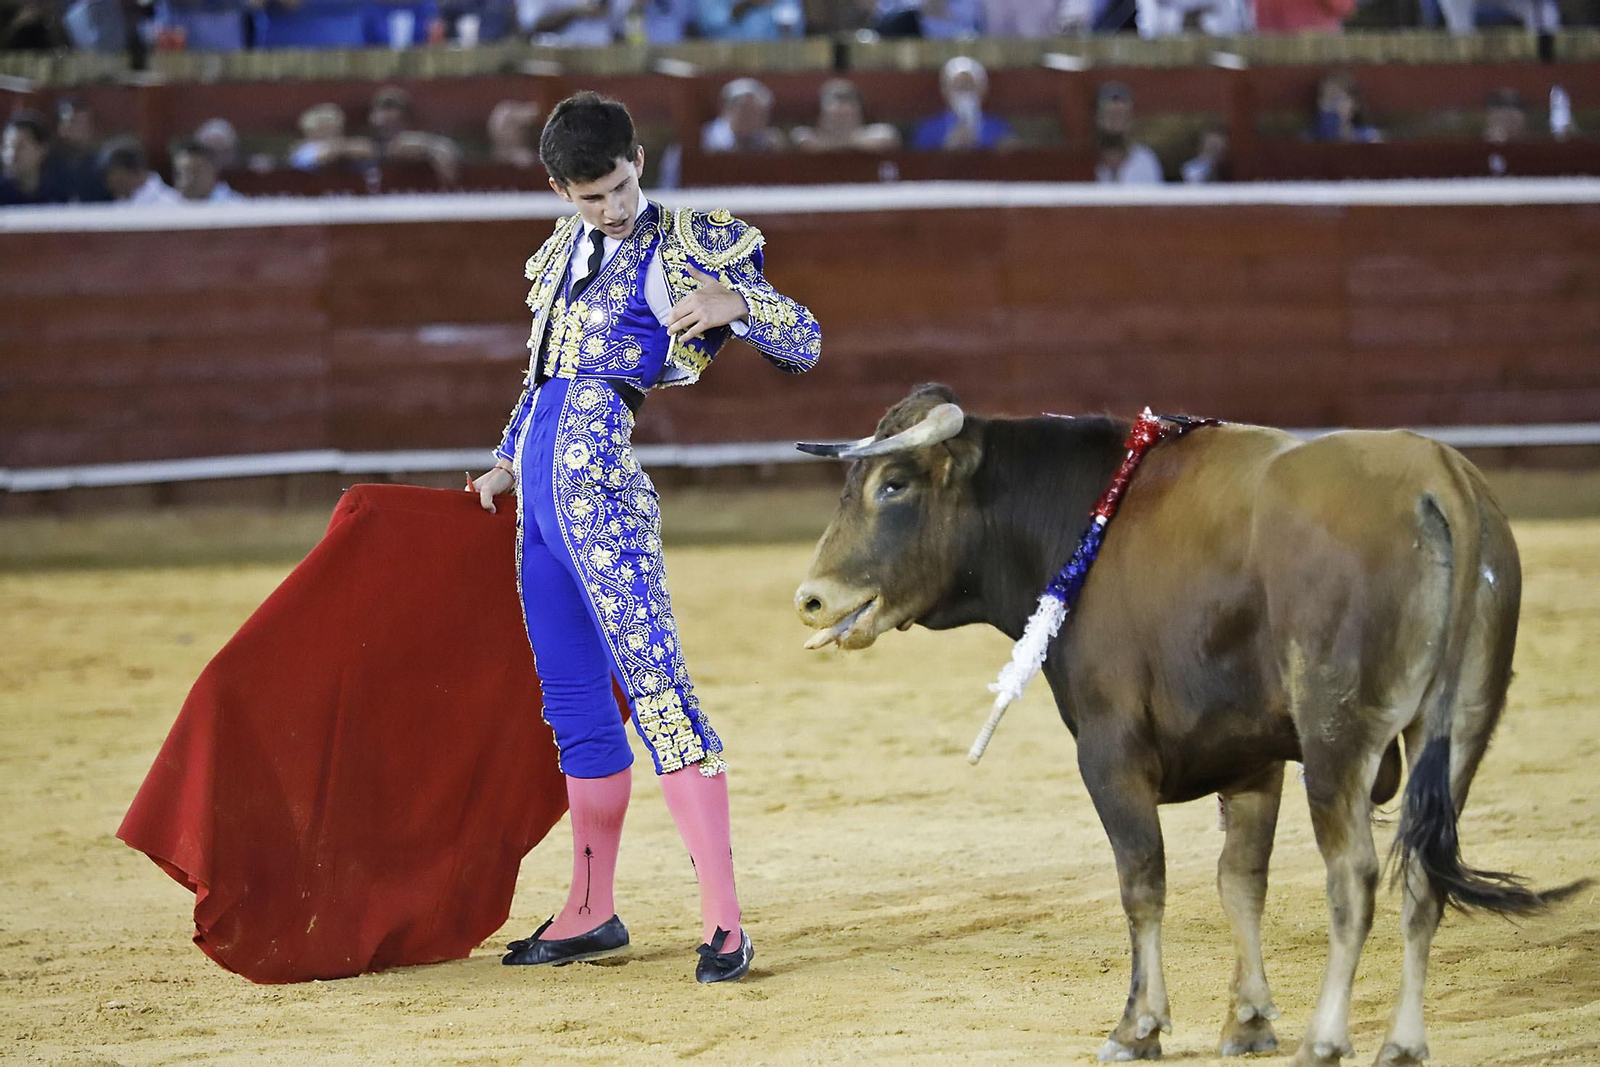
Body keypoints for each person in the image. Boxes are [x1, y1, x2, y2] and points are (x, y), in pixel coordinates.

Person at [472, 91, 820, 983]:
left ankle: (726, 924)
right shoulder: (556, 258)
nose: (613, 208)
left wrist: (735, 302)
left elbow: (804, 340)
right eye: (591, 197)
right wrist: (505, 463)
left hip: (603, 493)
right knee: (576, 708)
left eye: (621, 186)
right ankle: (591, 908)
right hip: (539, 510)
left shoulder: (687, 241)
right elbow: (538, 378)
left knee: (660, 692)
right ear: (560, 191)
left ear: (638, 162)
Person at [911, 56, 1013, 152]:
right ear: (945, 91)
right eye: (958, 86)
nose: (965, 92)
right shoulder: (927, 130)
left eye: (970, 86)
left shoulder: (1000, 129)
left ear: (983, 90)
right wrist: (947, 149)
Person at [790, 78, 901, 153]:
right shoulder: (806, 135)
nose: (841, 121)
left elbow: (887, 138)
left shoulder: (878, 133)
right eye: (836, 117)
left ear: (859, 114)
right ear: (821, 117)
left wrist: (847, 141)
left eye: (846, 116)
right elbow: (803, 143)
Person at [1, 110, 78, 206]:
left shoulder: (61, 190)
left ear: (42, 149)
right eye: (7, 146)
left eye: (21, 146)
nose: (12, 154)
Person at [701, 78, 788, 153]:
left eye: (756, 113)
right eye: (744, 111)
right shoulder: (706, 138)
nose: (750, 118)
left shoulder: (766, 141)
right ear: (727, 111)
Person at [288, 104, 377, 172]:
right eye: (322, 128)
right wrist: (340, 149)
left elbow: (367, 149)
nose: (328, 131)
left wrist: (343, 148)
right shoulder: (303, 149)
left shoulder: (348, 142)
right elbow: (322, 156)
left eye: (332, 127)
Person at [100, 138, 182, 205]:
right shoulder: (120, 202)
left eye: (119, 181)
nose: (111, 186)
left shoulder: (170, 202)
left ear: (137, 172)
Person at [1306, 71, 1382, 143]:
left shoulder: (1368, 136)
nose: (1332, 104)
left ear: (1355, 104)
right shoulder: (1310, 137)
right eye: (1326, 98)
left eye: (1338, 98)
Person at [173, 139, 244, 201]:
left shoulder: (238, 207)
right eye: (180, 174)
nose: (186, 180)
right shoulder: (166, 206)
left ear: (213, 172)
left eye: (195, 172)